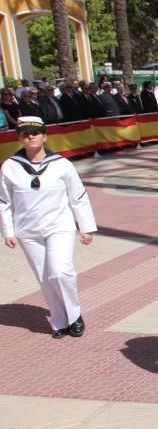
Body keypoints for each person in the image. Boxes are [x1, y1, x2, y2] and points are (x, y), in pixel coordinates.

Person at [0, 117, 96, 338]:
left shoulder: (61, 164)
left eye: (35, 132)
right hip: (28, 231)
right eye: (25, 134)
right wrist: (8, 231)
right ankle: (59, 320)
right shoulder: (10, 167)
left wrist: (86, 227)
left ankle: (74, 315)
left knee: (61, 272)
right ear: (19, 138)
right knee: (45, 277)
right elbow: (4, 202)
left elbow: (78, 196)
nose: (31, 136)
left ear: (45, 135)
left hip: (59, 227)